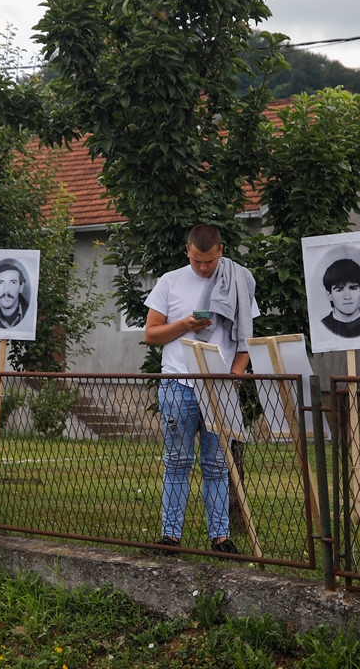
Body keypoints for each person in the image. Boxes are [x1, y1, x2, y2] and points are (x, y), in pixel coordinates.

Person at [143, 223, 259, 556]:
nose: (203, 267)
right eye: (197, 261)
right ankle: (170, 537)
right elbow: (151, 334)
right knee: (177, 461)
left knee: (218, 464)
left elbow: (246, 338)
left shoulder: (238, 280)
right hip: (177, 383)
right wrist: (186, 325)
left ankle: (221, 539)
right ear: (187, 251)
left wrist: (235, 375)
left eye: (209, 261)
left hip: (220, 385)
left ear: (221, 250)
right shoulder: (170, 281)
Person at [320, 258, 360, 339]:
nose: (347, 297)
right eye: (339, 290)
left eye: (353, 288)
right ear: (329, 295)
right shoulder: (321, 327)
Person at [0, 259, 29, 329]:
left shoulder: (30, 312)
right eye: (0, 283)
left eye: (13, 282)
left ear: (21, 287)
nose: (6, 290)